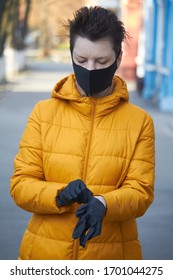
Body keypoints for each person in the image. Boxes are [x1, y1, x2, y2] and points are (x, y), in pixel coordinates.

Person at [10, 6, 155, 260]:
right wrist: (58, 194)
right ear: (71, 55)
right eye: (81, 60)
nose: (90, 69)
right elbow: (21, 185)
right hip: (44, 256)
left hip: (112, 258)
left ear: (118, 58)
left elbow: (141, 192)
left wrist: (104, 203)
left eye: (101, 62)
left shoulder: (140, 122)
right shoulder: (43, 114)